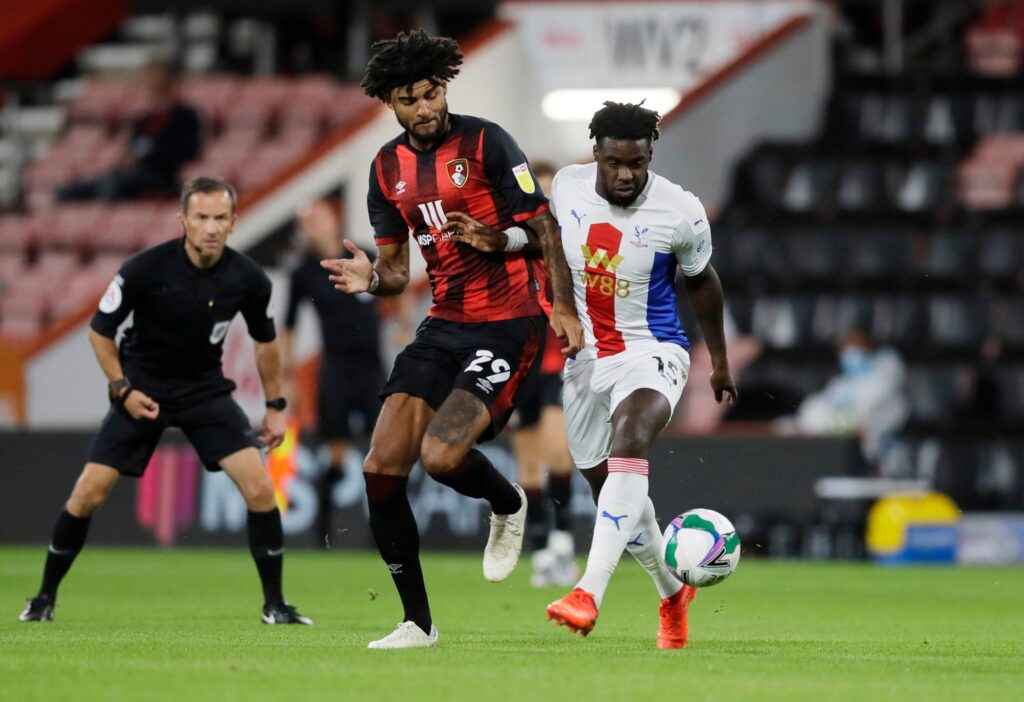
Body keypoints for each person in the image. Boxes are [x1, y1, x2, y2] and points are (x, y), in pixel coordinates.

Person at [321, 29, 583, 650]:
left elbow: (546, 231)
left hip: (509, 320)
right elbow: (395, 270)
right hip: (443, 323)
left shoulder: (489, 141)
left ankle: (508, 502)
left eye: (432, 92)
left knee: (440, 458)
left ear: (445, 88)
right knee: (381, 469)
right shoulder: (386, 167)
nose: (426, 107)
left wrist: (559, 304)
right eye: (410, 98)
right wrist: (370, 281)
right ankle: (418, 623)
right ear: (390, 103)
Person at [19, 176, 312, 626]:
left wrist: (274, 405)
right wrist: (122, 389)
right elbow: (100, 331)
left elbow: (265, 341)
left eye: (220, 218)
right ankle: (43, 599)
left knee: (259, 487)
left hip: (204, 391)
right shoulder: (144, 269)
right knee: (88, 492)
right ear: (183, 221)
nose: (211, 227)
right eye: (201, 218)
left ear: (233, 222)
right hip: (143, 388)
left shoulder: (248, 279)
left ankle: (275, 605)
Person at [543, 101, 737, 647]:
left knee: (631, 438)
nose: (626, 174)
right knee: (612, 492)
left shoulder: (681, 210)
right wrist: (556, 299)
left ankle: (587, 592)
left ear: (651, 154)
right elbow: (549, 242)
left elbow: (702, 281)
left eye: (637, 163)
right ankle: (673, 593)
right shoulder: (567, 186)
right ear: (596, 155)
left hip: (654, 351)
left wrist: (718, 362)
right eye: (614, 163)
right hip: (586, 362)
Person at [281, 199, 384, 547]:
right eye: (307, 222)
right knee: (336, 452)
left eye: (318, 218)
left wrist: (401, 323)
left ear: (333, 219)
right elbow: (288, 326)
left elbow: (394, 287)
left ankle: (382, 534)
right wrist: (287, 378)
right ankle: (322, 531)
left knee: (381, 453)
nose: (313, 226)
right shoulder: (303, 272)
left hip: (372, 367)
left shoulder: (362, 254)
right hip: (336, 368)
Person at [510, 160, 578, 588]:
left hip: (559, 361)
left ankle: (564, 543)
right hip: (522, 364)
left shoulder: (572, 244)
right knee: (528, 469)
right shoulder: (512, 245)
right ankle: (541, 552)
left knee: (558, 454)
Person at [56, 60, 201, 203]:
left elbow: (189, 151)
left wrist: (152, 152)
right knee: (69, 192)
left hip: (163, 175)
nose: (153, 83)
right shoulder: (144, 118)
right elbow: (131, 147)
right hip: (134, 173)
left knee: (113, 185)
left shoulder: (185, 116)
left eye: (157, 77)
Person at [786, 326, 908, 470]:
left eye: (856, 351)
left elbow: (855, 421)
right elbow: (814, 409)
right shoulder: (844, 383)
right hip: (838, 450)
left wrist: (825, 421)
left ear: (869, 352)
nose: (850, 358)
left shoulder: (883, 384)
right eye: (846, 353)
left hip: (875, 458)